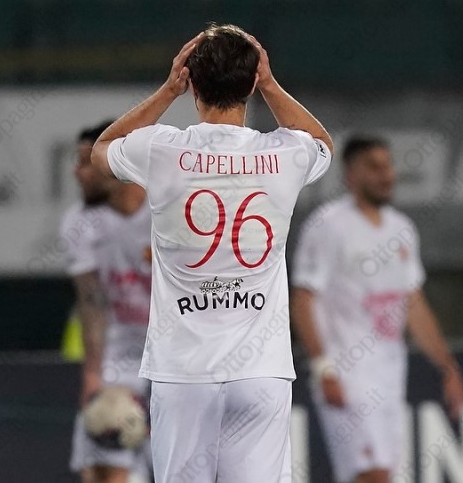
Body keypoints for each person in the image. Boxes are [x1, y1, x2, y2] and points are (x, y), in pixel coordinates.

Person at [90, 24, 333, 483]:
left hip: (183, 370)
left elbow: (101, 150)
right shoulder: (284, 153)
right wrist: (271, 84)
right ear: (251, 85)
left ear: (193, 86)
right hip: (260, 370)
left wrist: (167, 90)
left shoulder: (161, 148)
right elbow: (322, 143)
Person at [291, 137, 463, 483]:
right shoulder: (328, 226)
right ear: (350, 175)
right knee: (373, 475)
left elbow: (412, 303)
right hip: (347, 371)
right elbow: (302, 300)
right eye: (374, 167)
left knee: (378, 475)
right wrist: (324, 368)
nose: (386, 175)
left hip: (390, 374)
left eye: (388, 166)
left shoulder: (402, 230)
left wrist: (447, 366)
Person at [61, 122, 153, 483]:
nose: (77, 172)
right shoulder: (80, 223)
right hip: (120, 354)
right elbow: (92, 303)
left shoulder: (167, 209)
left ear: (115, 165)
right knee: (100, 457)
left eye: (86, 162)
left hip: (178, 353)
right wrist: (93, 376)